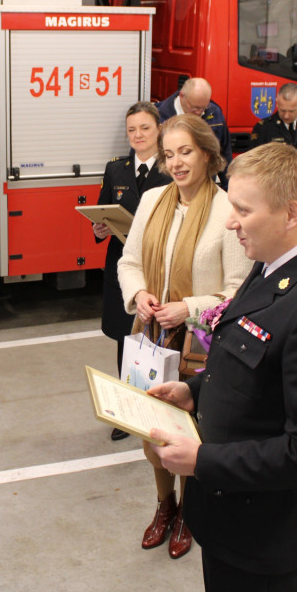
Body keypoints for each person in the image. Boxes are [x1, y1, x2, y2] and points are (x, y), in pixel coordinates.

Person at [149, 142, 297, 592]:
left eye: (242, 210)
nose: (231, 222)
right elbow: (251, 362)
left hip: (267, 537)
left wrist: (202, 460)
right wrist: (195, 391)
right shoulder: (273, 261)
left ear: (291, 213)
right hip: (232, 518)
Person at [118, 114, 252, 560]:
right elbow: (129, 260)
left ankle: (190, 514)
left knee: (191, 436)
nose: (176, 163)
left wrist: (190, 307)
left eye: (186, 152)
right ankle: (165, 506)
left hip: (200, 347)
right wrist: (138, 293)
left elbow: (238, 289)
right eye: (168, 154)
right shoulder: (153, 199)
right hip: (152, 340)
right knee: (151, 435)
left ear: (208, 154)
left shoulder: (226, 209)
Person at [93, 101, 172, 441]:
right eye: (132, 130)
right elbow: (103, 211)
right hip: (122, 269)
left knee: (162, 342)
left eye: (145, 128)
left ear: (159, 130)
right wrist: (100, 229)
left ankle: (163, 410)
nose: (138, 135)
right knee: (127, 342)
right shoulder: (116, 169)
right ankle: (127, 412)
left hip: (159, 267)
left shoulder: (173, 170)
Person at [157, 78, 231, 186]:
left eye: (203, 108)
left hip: (205, 186)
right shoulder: (159, 117)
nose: (199, 112)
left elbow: (225, 154)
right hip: (169, 185)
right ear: (182, 96)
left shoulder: (215, 113)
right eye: (195, 108)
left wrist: (228, 189)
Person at [251, 82, 297, 163]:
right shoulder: (263, 127)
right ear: (277, 104)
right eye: (282, 110)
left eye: (291, 111)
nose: (286, 116)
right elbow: (254, 160)